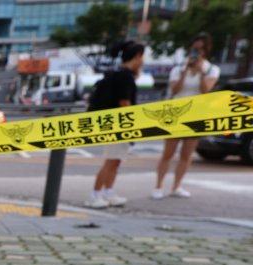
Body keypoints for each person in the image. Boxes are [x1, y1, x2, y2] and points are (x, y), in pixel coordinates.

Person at [153, 33, 220, 199]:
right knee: (167, 153)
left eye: (201, 49)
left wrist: (200, 72)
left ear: (206, 50)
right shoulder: (178, 68)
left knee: (186, 154)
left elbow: (206, 91)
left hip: (196, 114)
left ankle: (176, 186)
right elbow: (174, 90)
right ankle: (158, 186)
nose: (197, 51)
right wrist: (186, 71)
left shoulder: (211, 69)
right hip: (176, 114)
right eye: (195, 48)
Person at [84, 40, 146, 209]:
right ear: (138, 56)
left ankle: (107, 192)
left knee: (115, 160)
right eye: (143, 56)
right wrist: (131, 126)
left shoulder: (119, 74)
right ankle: (95, 194)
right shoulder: (125, 77)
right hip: (118, 125)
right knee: (111, 160)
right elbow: (125, 103)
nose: (144, 60)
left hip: (114, 124)